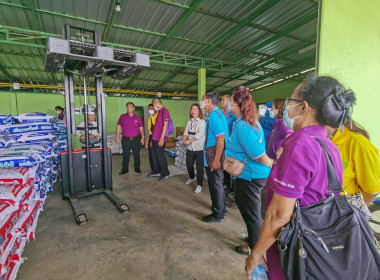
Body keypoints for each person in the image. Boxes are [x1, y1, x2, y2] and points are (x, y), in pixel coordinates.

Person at [245, 76, 355, 280]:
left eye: (291, 101)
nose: (287, 108)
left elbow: (279, 215)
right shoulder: (329, 146)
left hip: (294, 247)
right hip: (318, 245)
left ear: (303, 108)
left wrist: (256, 253)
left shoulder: (300, 144)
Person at [226, 86, 273, 255]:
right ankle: (255, 236)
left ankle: (254, 248)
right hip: (250, 174)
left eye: (231, 101)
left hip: (251, 175)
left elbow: (257, 153)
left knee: (252, 214)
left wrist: (270, 163)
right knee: (252, 211)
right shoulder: (244, 121)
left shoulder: (243, 126)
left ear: (238, 104)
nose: (229, 104)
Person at [326, 118, 380, 217]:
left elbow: (372, 191)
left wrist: (349, 210)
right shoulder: (306, 138)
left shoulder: (360, 145)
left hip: (342, 216)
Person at [200, 91, 229, 223]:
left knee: (215, 184)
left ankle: (218, 214)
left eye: (203, 99)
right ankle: (222, 209)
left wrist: (216, 160)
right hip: (213, 155)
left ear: (209, 101)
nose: (201, 102)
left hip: (214, 157)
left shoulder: (214, 116)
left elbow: (220, 138)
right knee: (217, 184)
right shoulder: (216, 114)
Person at [116, 102, 144, 174]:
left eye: (130, 107)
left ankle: (137, 168)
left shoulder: (138, 117)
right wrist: (117, 136)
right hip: (125, 139)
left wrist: (142, 137)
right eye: (127, 107)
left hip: (136, 139)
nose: (128, 108)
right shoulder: (122, 116)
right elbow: (118, 127)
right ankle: (125, 169)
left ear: (133, 108)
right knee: (125, 154)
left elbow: (141, 128)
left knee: (136, 154)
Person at [183, 104, 206, 193]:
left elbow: (199, 135)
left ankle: (199, 184)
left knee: (199, 167)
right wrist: (184, 139)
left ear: (199, 111)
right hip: (190, 148)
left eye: (195, 109)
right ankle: (192, 177)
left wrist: (189, 141)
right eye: (192, 109)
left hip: (199, 148)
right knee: (189, 164)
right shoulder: (190, 122)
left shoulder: (202, 122)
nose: (193, 111)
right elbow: (186, 132)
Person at [147, 98, 170, 182]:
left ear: (157, 103)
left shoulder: (165, 111)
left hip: (160, 138)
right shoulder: (159, 112)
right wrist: (152, 140)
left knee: (160, 156)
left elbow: (165, 125)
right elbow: (156, 128)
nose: (153, 107)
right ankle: (156, 172)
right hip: (154, 138)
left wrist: (162, 139)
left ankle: (166, 173)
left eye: (153, 105)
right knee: (154, 156)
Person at [221, 94, 237, 196]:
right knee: (225, 164)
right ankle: (226, 184)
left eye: (223, 100)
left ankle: (234, 189)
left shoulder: (234, 114)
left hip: (231, 145)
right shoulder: (220, 113)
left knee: (233, 166)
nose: (221, 101)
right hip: (222, 144)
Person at [145, 104, 158, 175]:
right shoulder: (150, 118)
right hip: (151, 136)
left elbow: (158, 130)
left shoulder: (158, 117)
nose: (150, 110)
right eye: (149, 109)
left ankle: (158, 169)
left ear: (155, 109)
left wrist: (153, 140)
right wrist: (147, 141)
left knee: (156, 154)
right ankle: (153, 169)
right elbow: (150, 131)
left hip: (157, 137)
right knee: (151, 154)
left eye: (151, 108)